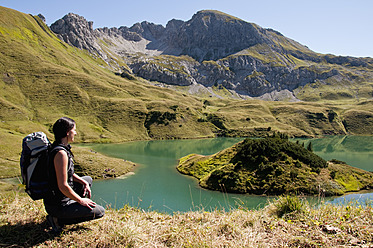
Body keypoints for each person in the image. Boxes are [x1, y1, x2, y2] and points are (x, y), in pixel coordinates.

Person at [44, 117, 105, 233]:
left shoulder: (58, 147)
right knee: (100, 211)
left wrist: (84, 182)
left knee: (87, 179)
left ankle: (69, 208)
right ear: (67, 132)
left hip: (57, 197)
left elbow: (67, 173)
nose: (75, 133)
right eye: (74, 130)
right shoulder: (60, 154)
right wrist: (81, 200)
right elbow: (62, 186)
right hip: (57, 204)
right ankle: (57, 219)